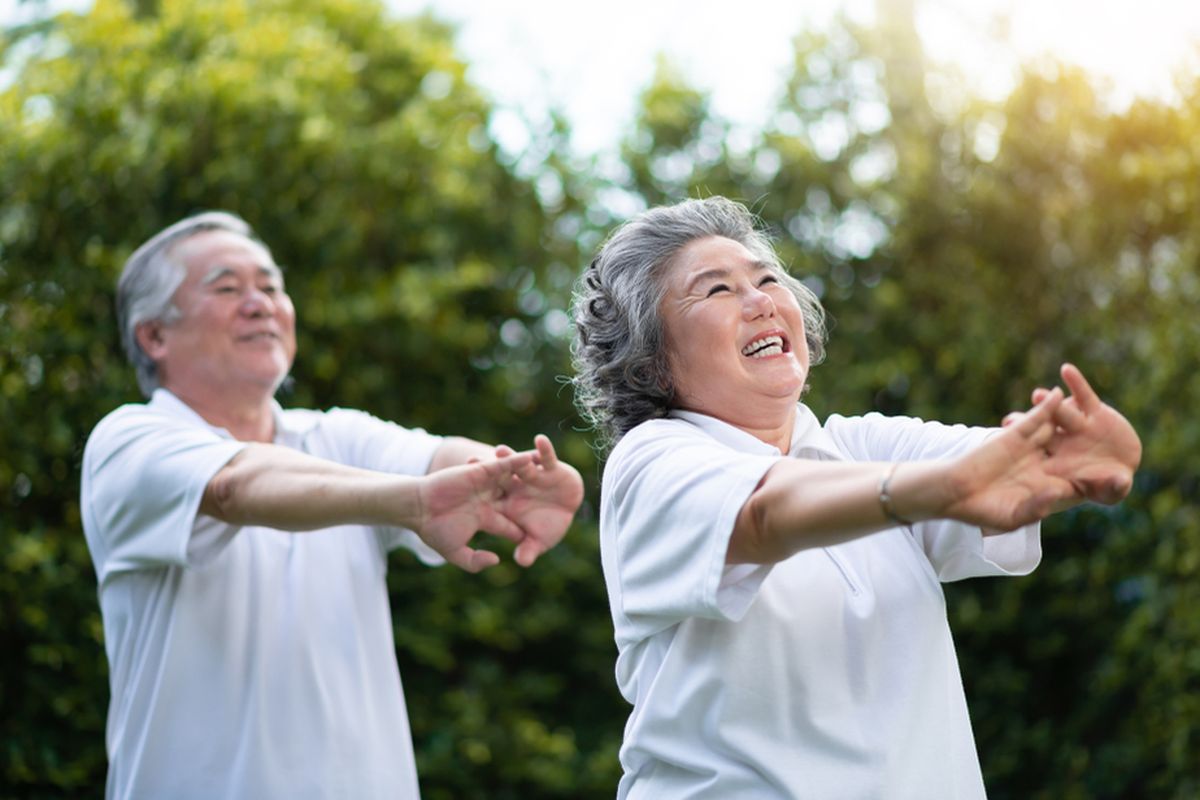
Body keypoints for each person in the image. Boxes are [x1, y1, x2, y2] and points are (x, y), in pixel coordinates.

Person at [570, 196, 1141, 799]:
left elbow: (1005, 466)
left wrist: (1071, 453)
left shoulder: (860, 443)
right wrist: (940, 490)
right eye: (716, 291)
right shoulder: (652, 461)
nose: (761, 300)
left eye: (767, 279)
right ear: (653, 363)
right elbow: (766, 513)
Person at [80, 211, 584, 800]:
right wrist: (413, 501)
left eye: (271, 286)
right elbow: (233, 486)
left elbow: (442, 463)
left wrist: (515, 477)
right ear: (154, 335)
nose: (260, 303)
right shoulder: (128, 441)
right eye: (226, 287)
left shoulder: (337, 437)